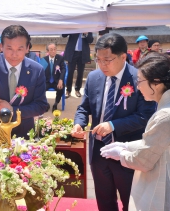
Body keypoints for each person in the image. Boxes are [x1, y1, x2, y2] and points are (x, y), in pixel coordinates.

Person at [71, 33, 156, 211]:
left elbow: (146, 115)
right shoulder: (94, 78)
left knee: (130, 201)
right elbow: (84, 108)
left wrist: (113, 125)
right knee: (104, 200)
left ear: (123, 57)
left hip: (127, 151)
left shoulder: (138, 78)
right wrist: (79, 123)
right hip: (98, 152)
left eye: (107, 60)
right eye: (98, 59)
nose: (101, 64)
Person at [100, 52, 170, 211]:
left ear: (156, 83)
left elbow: (144, 160)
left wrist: (121, 154)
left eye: (140, 81)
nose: (137, 86)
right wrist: (126, 145)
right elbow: (154, 142)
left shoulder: (165, 115)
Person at [0, 25, 48, 147]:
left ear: (27, 48)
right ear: (1, 47)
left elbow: (41, 106)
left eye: (20, 49)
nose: (14, 54)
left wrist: (11, 110)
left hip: (21, 136)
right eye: (9, 48)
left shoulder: (37, 70)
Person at [62, 32, 93, 98]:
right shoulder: (75, 27)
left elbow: (91, 40)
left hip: (82, 53)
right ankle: (68, 90)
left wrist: (86, 34)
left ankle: (77, 89)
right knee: (70, 72)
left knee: (80, 73)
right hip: (72, 53)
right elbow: (63, 35)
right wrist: (70, 28)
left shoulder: (88, 28)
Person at [43, 43, 66, 112]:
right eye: (51, 50)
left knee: (61, 87)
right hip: (47, 81)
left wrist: (61, 79)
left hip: (57, 81)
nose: (53, 51)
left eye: (54, 49)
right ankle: (46, 104)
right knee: (39, 89)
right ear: (48, 51)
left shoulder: (60, 58)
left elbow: (63, 69)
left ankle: (55, 104)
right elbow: (40, 71)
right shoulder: (44, 60)